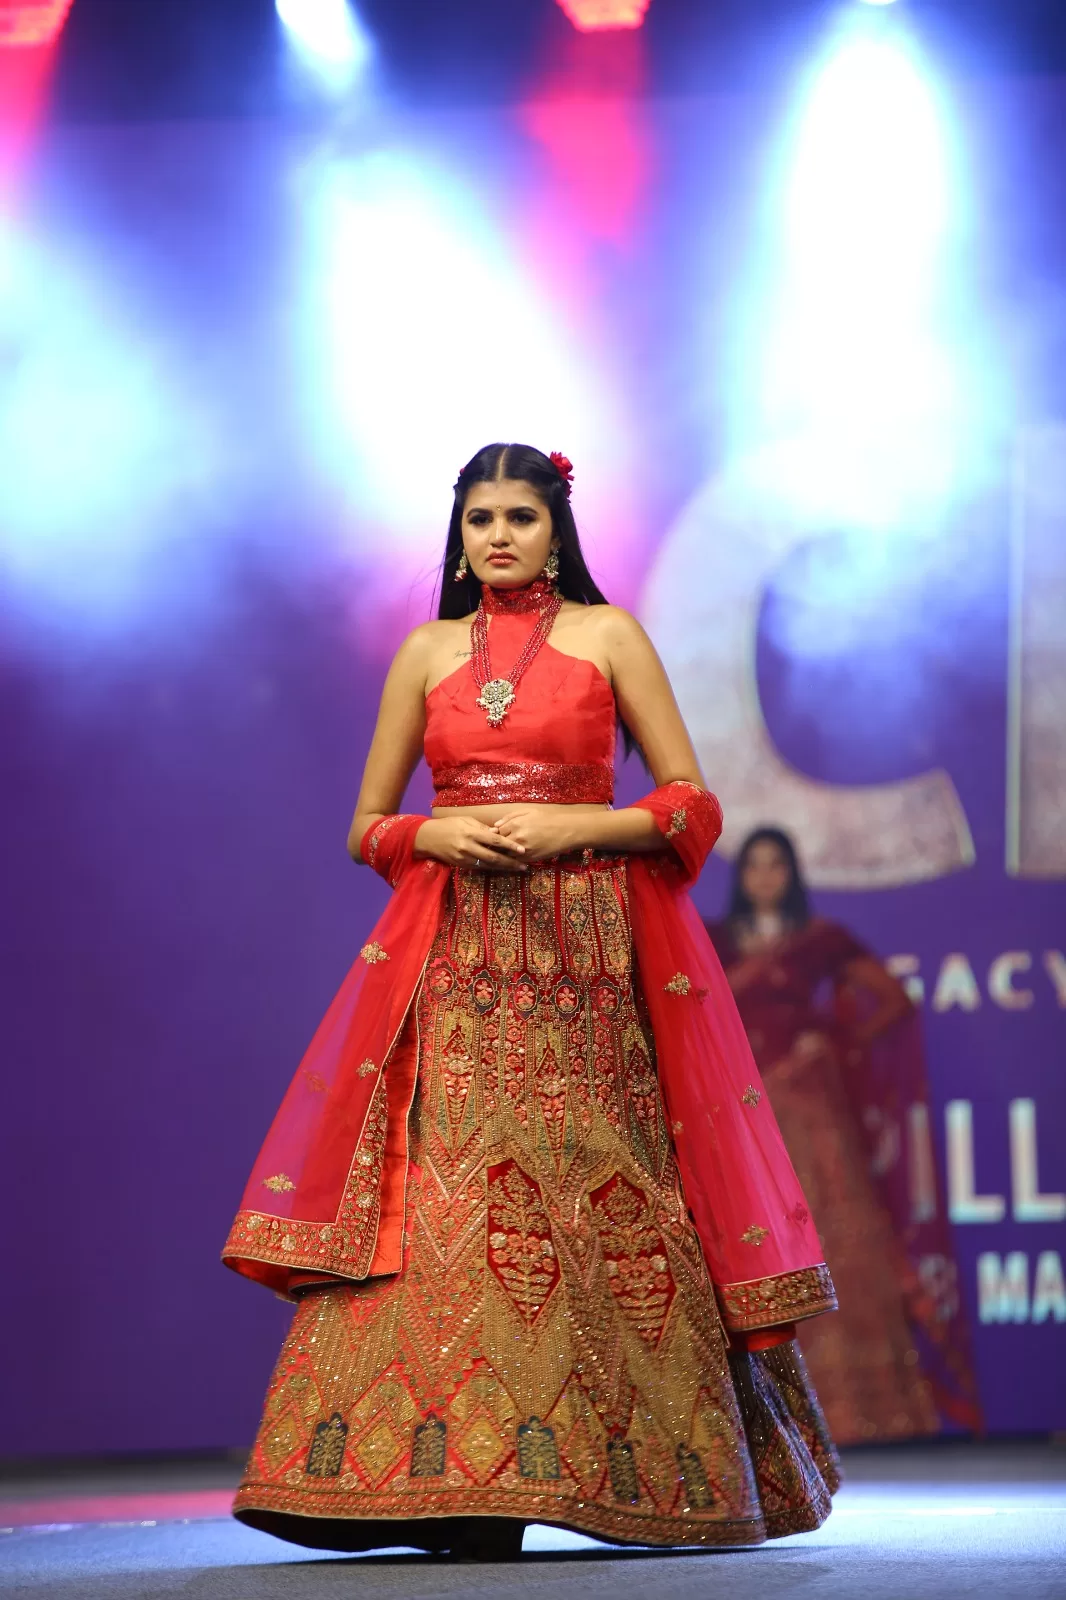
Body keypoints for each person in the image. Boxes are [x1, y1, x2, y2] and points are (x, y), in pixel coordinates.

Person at [223, 445, 841, 1560]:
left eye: (519, 516)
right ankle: (460, 1482)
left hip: (589, 955)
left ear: (557, 529)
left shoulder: (610, 636)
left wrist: (580, 825)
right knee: (452, 1192)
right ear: (457, 537)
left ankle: (655, 1470)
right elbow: (366, 825)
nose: (498, 536)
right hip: (457, 957)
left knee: (605, 1180)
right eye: (479, 519)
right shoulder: (425, 653)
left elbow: (692, 807)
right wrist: (431, 834)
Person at [706, 827, 982, 1447]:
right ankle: (767, 1411)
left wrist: (831, 1042)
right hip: (744, 1109)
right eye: (755, 865)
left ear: (792, 874)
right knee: (754, 1239)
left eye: (777, 864)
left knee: (832, 1236)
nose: (766, 876)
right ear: (741, 876)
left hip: (810, 1109)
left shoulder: (819, 940)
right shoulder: (716, 940)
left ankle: (860, 1410)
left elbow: (891, 1000)